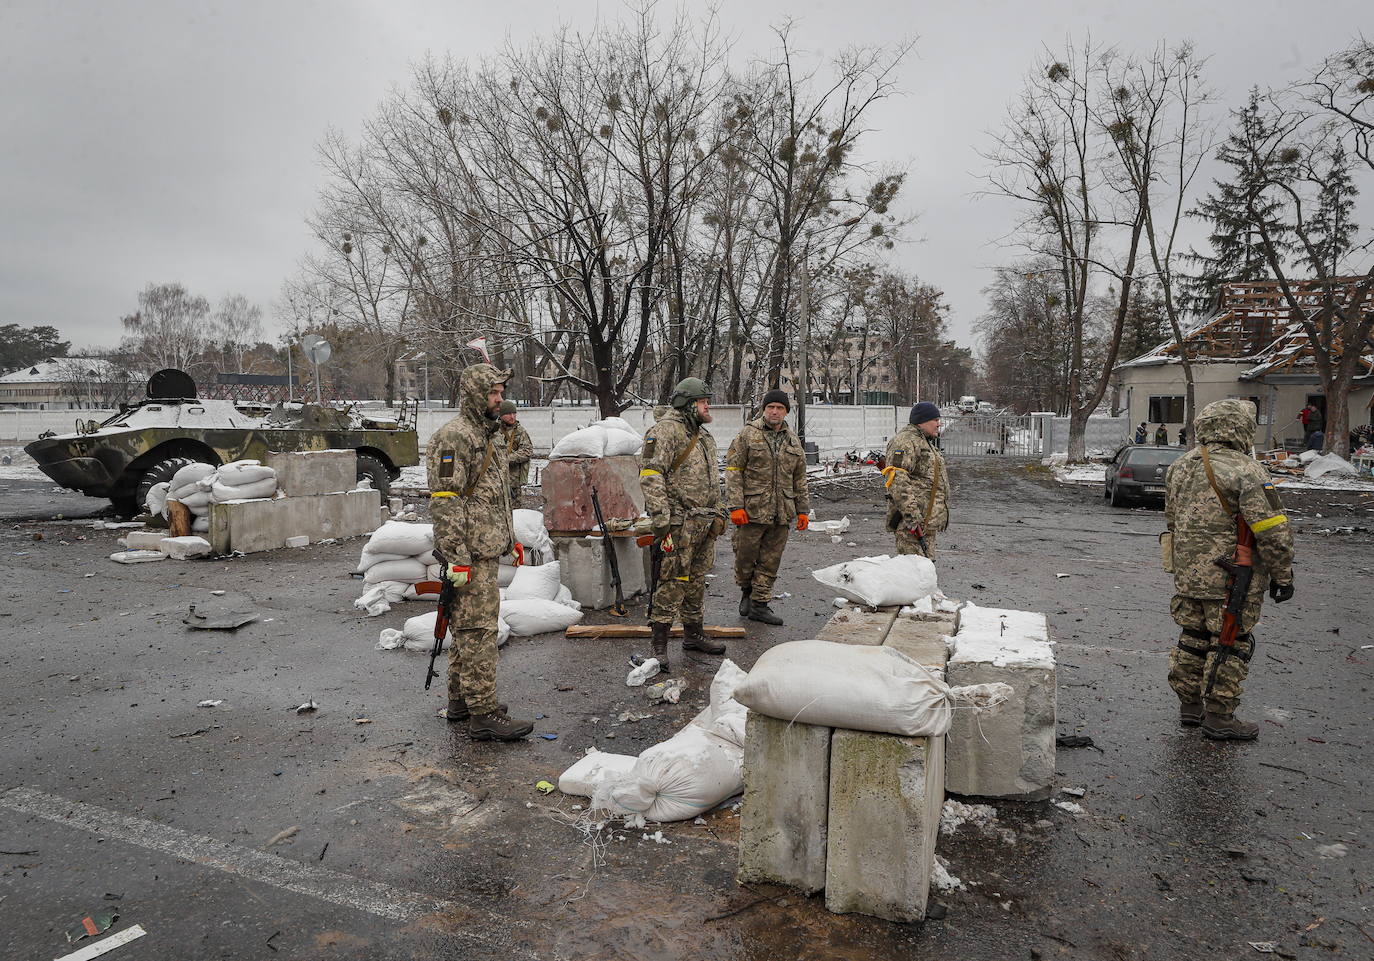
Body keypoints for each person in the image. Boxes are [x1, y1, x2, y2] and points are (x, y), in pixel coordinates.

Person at [1163, 399, 1295, 741]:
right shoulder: (1246, 469)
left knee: (1192, 639)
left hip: (1188, 574)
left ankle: (1190, 707)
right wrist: (1283, 575)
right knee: (1231, 642)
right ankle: (1220, 716)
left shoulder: (1180, 466)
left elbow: (1172, 520)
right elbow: (1271, 529)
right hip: (1231, 576)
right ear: (1240, 428)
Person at [427, 364, 533, 741]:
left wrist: (510, 537)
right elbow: (445, 500)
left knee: (469, 629)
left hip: (485, 550)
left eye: (501, 393)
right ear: (474, 394)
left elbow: (493, 496)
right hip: (467, 555)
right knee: (478, 632)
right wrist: (456, 556)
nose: (499, 400)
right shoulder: (455, 437)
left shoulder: (489, 435)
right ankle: (483, 713)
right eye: (493, 393)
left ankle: (460, 702)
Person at [639, 378, 729, 671]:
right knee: (671, 582)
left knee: (697, 580)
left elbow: (713, 479)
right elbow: (651, 474)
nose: (708, 406)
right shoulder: (665, 432)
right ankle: (659, 644)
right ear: (689, 403)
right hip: (679, 523)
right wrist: (662, 520)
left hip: (704, 522)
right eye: (704, 401)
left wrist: (719, 512)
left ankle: (693, 633)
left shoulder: (703, 436)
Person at [725, 389, 811, 626]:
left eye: (780, 408)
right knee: (745, 557)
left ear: (786, 412)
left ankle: (759, 605)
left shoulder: (793, 440)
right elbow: (733, 471)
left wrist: (803, 510)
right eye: (771, 407)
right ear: (764, 409)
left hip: (781, 512)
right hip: (752, 510)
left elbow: (799, 479)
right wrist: (735, 506)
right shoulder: (747, 435)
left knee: (771, 560)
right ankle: (746, 591)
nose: (775, 411)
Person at [882, 401, 949, 559]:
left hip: (924, 523)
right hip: (912, 525)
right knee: (912, 575)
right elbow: (897, 480)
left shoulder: (922, 440)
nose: (939, 424)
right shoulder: (906, 442)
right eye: (935, 420)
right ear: (922, 421)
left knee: (924, 572)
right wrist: (912, 516)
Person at [498, 400, 533, 504]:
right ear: (501, 415)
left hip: (513, 480)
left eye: (514, 413)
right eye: (509, 414)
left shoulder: (520, 431)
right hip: (496, 479)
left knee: (515, 511)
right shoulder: (494, 430)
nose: (512, 417)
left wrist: (507, 459)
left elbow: (527, 451)